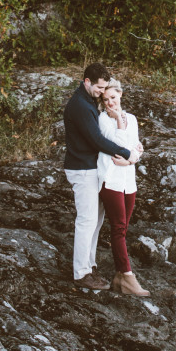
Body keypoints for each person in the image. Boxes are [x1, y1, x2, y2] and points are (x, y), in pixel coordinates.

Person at [63, 63, 133, 289]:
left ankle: (89, 266)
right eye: (99, 88)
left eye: (105, 88)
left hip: (90, 169)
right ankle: (81, 273)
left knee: (96, 220)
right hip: (82, 169)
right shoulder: (80, 106)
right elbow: (97, 141)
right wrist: (126, 153)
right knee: (87, 220)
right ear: (86, 82)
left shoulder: (87, 99)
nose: (102, 93)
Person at [97, 79, 149, 297]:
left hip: (128, 181)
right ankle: (127, 277)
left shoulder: (134, 119)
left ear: (120, 95)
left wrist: (130, 160)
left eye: (113, 98)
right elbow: (115, 147)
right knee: (118, 228)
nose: (110, 103)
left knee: (124, 229)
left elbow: (136, 149)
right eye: (106, 99)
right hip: (110, 180)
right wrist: (118, 120)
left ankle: (119, 278)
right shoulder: (102, 120)